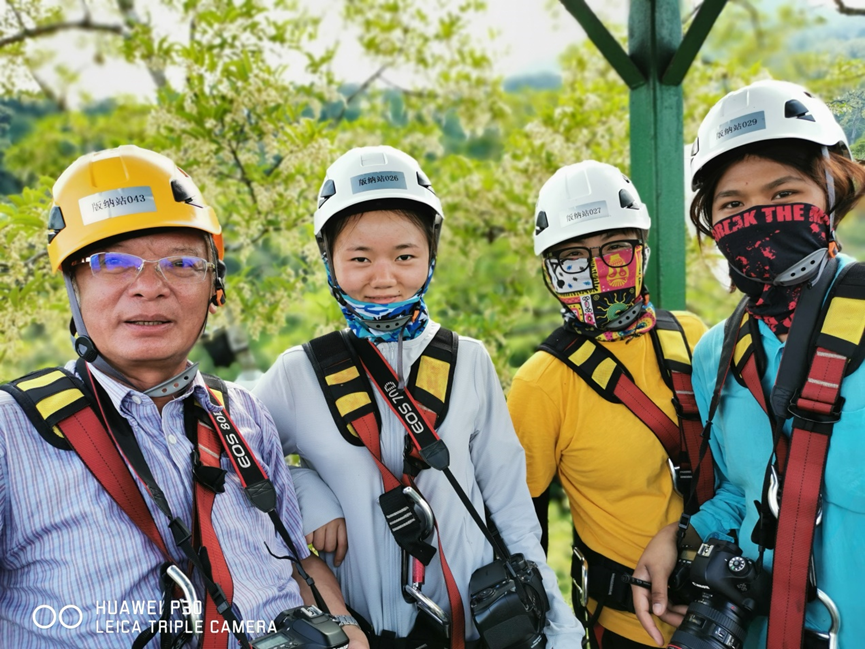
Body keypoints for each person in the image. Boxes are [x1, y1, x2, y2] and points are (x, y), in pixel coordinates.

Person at [0, 145, 367, 649]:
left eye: (181, 262)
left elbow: (296, 558)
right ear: (74, 285)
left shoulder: (243, 415)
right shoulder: (9, 431)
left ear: (215, 286)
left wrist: (347, 629)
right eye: (112, 261)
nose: (149, 287)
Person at [254, 145, 583, 648]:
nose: (383, 277)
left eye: (404, 256)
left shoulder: (468, 361)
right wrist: (307, 493)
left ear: (430, 255)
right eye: (359, 258)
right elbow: (241, 459)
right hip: (363, 631)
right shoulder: (301, 373)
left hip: (472, 630)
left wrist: (559, 622)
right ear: (330, 261)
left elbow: (510, 504)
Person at [632, 80, 865, 648]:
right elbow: (748, 490)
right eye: (732, 205)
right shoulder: (720, 351)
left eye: (783, 192)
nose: (760, 219)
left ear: (829, 195)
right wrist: (679, 533)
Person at [507, 161, 707, 648]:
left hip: (723, 606)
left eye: (615, 249)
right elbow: (520, 530)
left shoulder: (690, 336)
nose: (600, 272)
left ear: (641, 251)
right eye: (574, 258)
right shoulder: (542, 383)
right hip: (625, 625)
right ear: (550, 271)